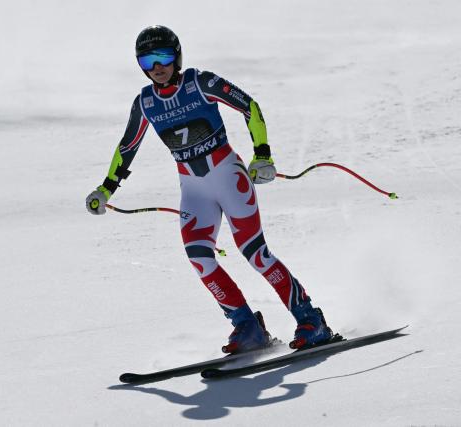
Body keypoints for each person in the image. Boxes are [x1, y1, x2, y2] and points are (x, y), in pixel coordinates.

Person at [85, 25, 334, 353]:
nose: (157, 67)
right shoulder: (145, 102)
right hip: (194, 191)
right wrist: (106, 189)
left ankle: (310, 319)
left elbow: (250, 107)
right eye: (147, 61)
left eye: (163, 57)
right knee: (200, 258)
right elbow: (127, 146)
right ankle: (246, 326)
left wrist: (262, 155)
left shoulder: (199, 83)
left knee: (255, 253)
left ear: (177, 56)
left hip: (230, 179)